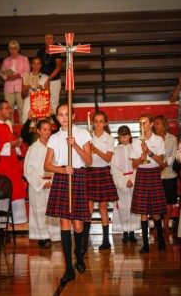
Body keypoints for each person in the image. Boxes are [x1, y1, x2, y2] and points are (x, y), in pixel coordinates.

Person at [44, 102, 92, 284]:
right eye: (60, 115)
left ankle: (78, 255)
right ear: (57, 117)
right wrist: (63, 170)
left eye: (67, 114)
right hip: (63, 177)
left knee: (78, 225)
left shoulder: (82, 134)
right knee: (65, 221)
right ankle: (69, 268)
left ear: (72, 116)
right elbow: (46, 165)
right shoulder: (54, 138)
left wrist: (75, 145)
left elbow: (88, 161)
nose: (64, 118)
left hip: (78, 176)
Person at [130, 114, 167, 253]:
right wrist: (140, 158)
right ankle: (145, 244)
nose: (142, 125)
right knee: (143, 212)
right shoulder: (135, 142)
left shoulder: (158, 140)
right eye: (140, 123)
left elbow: (160, 161)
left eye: (144, 123)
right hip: (142, 174)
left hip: (154, 174)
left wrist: (149, 152)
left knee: (156, 211)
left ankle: (161, 238)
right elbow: (133, 164)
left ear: (151, 124)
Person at [0, 99, 27, 224]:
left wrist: (16, 144)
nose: (10, 110)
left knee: (14, 191)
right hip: (1, 167)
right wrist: (10, 144)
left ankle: (9, 225)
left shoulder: (6, 126)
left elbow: (10, 144)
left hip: (11, 166)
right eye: (7, 108)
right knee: (2, 194)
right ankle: (0, 226)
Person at [83, 111, 118, 253]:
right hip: (90, 172)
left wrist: (94, 149)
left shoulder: (109, 138)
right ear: (93, 122)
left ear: (105, 123)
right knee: (88, 208)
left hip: (103, 172)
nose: (98, 124)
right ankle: (85, 241)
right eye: (95, 121)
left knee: (103, 208)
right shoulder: (87, 137)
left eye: (100, 121)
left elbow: (108, 158)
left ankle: (105, 241)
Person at [24, 119, 61, 247]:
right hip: (38, 185)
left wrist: (52, 181)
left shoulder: (54, 147)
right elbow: (28, 170)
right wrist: (41, 183)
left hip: (52, 183)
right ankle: (42, 237)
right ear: (38, 131)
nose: (47, 132)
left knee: (52, 211)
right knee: (40, 211)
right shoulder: (33, 148)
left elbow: (57, 165)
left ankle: (54, 235)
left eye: (49, 129)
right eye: (44, 129)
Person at [111, 125, 141, 243]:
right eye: (120, 137)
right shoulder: (116, 150)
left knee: (133, 207)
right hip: (122, 182)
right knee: (123, 207)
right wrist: (123, 182)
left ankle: (133, 232)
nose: (123, 139)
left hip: (133, 180)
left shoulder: (135, 148)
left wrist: (132, 181)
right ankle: (125, 232)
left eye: (124, 136)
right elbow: (115, 168)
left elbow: (138, 165)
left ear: (129, 136)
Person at [154, 115, 178, 232]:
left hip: (170, 174)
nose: (155, 125)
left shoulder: (172, 139)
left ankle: (166, 225)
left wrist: (163, 164)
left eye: (157, 123)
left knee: (168, 200)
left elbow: (174, 155)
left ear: (164, 125)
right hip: (156, 175)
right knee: (156, 201)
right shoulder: (152, 139)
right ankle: (157, 225)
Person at [0, 40, 30, 124]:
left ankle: (22, 126)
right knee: (9, 109)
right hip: (8, 87)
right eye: (10, 49)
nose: (13, 51)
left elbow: (27, 72)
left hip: (21, 86)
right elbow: (2, 73)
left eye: (15, 49)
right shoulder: (6, 61)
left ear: (18, 49)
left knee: (21, 108)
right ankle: (10, 127)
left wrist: (17, 75)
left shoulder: (24, 59)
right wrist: (7, 77)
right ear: (8, 50)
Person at [36, 34, 62, 113]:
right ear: (44, 40)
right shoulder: (40, 51)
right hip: (42, 79)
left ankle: (54, 123)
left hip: (54, 80)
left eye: (50, 38)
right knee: (41, 101)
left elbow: (58, 67)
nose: (48, 40)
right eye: (46, 38)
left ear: (53, 40)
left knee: (53, 102)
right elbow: (37, 66)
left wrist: (48, 79)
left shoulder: (57, 51)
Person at [22, 57, 49, 124]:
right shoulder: (26, 76)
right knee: (27, 123)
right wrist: (26, 89)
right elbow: (23, 95)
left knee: (40, 124)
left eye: (38, 64)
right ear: (31, 65)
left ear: (41, 65)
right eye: (34, 63)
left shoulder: (45, 77)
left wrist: (42, 89)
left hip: (40, 102)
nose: (36, 66)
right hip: (28, 101)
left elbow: (48, 95)